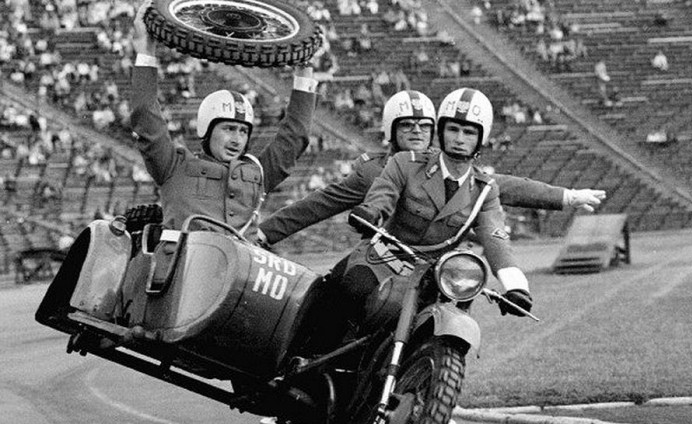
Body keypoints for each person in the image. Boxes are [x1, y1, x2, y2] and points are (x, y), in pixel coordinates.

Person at [256, 89, 605, 247]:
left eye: (424, 126)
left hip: (437, 265)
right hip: (384, 260)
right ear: (391, 130)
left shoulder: (448, 164)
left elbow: (503, 185)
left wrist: (565, 196)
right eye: (407, 126)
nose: (417, 132)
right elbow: (319, 204)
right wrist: (266, 233)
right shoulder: (373, 172)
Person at [341, 87, 533, 323]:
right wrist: (370, 212)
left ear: (481, 138)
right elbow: (383, 194)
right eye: (453, 129)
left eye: (469, 132)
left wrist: (516, 286)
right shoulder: (406, 163)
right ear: (440, 131)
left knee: (444, 322)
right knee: (352, 293)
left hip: (433, 278)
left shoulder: (485, 190)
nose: (459, 139)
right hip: (381, 262)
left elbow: (496, 240)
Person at [129, 0, 319, 235]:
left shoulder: (257, 173)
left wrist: (304, 73)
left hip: (239, 258)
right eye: (228, 129)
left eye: (243, 131)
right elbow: (145, 115)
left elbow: (295, 138)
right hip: (185, 256)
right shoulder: (173, 165)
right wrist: (146, 52)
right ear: (207, 130)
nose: (237, 139)